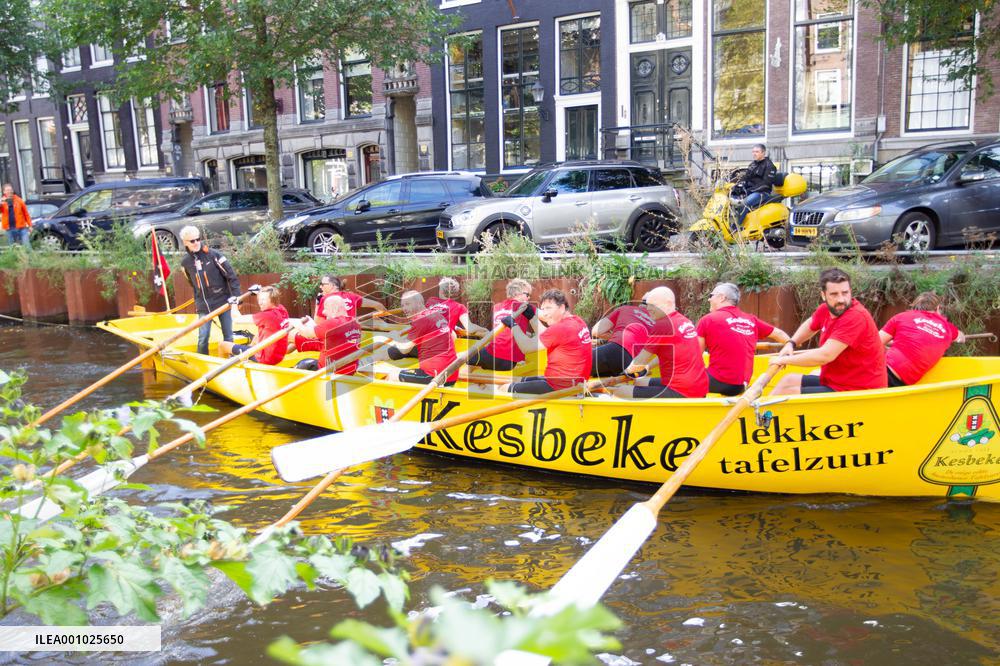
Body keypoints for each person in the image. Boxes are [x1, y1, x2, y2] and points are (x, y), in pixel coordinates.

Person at [770, 268, 886, 395]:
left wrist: (783, 360)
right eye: (834, 294)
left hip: (860, 390)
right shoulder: (826, 309)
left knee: (787, 392)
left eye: (845, 293)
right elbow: (810, 324)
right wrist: (791, 343)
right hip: (837, 381)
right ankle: (760, 408)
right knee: (788, 380)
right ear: (823, 295)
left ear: (850, 292)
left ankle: (763, 408)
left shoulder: (855, 317)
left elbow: (825, 356)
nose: (841, 299)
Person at [612, 286, 708, 399]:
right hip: (698, 387)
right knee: (639, 382)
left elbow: (639, 361)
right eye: (648, 304)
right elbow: (668, 353)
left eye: (653, 305)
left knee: (620, 391)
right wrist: (647, 368)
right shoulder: (684, 320)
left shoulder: (663, 324)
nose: (648, 308)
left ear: (668, 303)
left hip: (682, 391)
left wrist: (626, 373)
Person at [696, 282, 790, 395]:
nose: (709, 299)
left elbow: (695, 356)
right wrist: (790, 345)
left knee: (685, 377)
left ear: (721, 297)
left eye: (711, 295)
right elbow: (779, 334)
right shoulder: (751, 320)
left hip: (719, 382)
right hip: (741, 386)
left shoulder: (708, 320)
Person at [503, 289, 592, 395]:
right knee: (518, 380)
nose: (545, 314)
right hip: (570, 383)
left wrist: (513, 325)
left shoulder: (561, 328)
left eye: (548, 308)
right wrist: (532, 317)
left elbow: (526, 347)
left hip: (560, 387)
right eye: (543, 309)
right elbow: (549, 336)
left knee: (504, 388)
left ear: (562, 308)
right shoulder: (578, 321)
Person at [880, 291, 965, 387]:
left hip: (882, 371)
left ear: (915, 305)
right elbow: (961, 338)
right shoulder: (948, 328)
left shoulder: (902, 316)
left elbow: (876, 342)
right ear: (937, 308)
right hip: (901, 383)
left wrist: (890, 348)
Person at [180, 225, 241, 355]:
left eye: (198, 239)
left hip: (223, 302)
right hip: (203, 305)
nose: (196, 242)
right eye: (192, 241)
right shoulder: (185, 263)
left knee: (228, 336)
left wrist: (237, 298)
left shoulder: (214, 255)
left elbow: (231, 276)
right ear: (185, 243)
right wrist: (198, 301)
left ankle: (231, 360)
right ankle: (202, 362)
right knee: (203, 338)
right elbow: (192, 283)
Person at [382, 291, 458, 385]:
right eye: (403, 305)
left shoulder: (420, 320)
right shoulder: (437, 315)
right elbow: (453, 336)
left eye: (407, 304)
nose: (404, 308)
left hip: (434, 376)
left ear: (419, 303)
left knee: (392, 375)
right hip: (451, 374)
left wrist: (395, 337)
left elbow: (404, 350)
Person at [293, 275, 385, 352]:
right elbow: (378, 305)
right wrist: (386, 318)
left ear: (332, 285)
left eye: (322, 284)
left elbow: (318, 323)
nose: (320, 287)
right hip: (351, 337)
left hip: (333, 342)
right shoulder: (352, 296)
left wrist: (317, 303)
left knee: (293, 336)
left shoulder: (326, 299)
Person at [467, 278, 535, 372]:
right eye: (527, 294)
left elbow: (503, 333)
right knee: (474, 361)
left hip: (494, 355)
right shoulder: (525, 307)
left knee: (464, 358)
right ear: (518, 293)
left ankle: (462, 379)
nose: (529, 298)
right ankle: (478, 378)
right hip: (510, 362)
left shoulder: (497, 307)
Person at [288, 294, 363, 374]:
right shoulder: (356, 324)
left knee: (303, 363)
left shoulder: (334, 323)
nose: (323, 312)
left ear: (334, 309)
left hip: (327, 372)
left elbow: (307, 333)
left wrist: (298, 324)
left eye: (326, 308)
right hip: (348, 371)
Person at [220, 285, 290, 365]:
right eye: (259, 299)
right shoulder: (282, 309)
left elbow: (237, 319)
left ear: (272, 300)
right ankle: (244, 357)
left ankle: (222, 370)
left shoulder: (266, 316)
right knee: (258, 335)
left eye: (263, 300)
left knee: (222, 345)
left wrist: (233, 304)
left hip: (265, 358)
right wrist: (258, 292)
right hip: (278, 357)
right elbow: (268, 297)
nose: (260, 302)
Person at [589, 301, 655, 378]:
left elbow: (596, 331)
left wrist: (615, 337)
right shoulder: (658, 324)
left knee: (578, 362)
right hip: (630, 363)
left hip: (615, 351)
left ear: (640, 304)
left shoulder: (626, 309)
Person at [733, 144, 777, 230]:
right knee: (731, 200)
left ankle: (736, 228)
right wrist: (737, 186)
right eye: (753, 152)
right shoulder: (752, 165)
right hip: (750, 191)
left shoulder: (769, 166)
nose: (754, 154)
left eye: (757, 152)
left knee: (744, 203)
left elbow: (766, 184)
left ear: (763, 153)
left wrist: (750, 190)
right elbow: (745, 178)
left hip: (762, 193)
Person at [1, 183, 32, 248]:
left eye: (10, 190)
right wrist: (1, 203)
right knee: (12, 248)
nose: (9, 191)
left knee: (27, 246)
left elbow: (26, 214)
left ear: (12, 190)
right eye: (7, 190)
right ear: (4, 192)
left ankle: (29, 254)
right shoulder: (2, 202)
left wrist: (30, 225)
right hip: (9, 229)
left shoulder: (19, 200)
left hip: (21, 228)